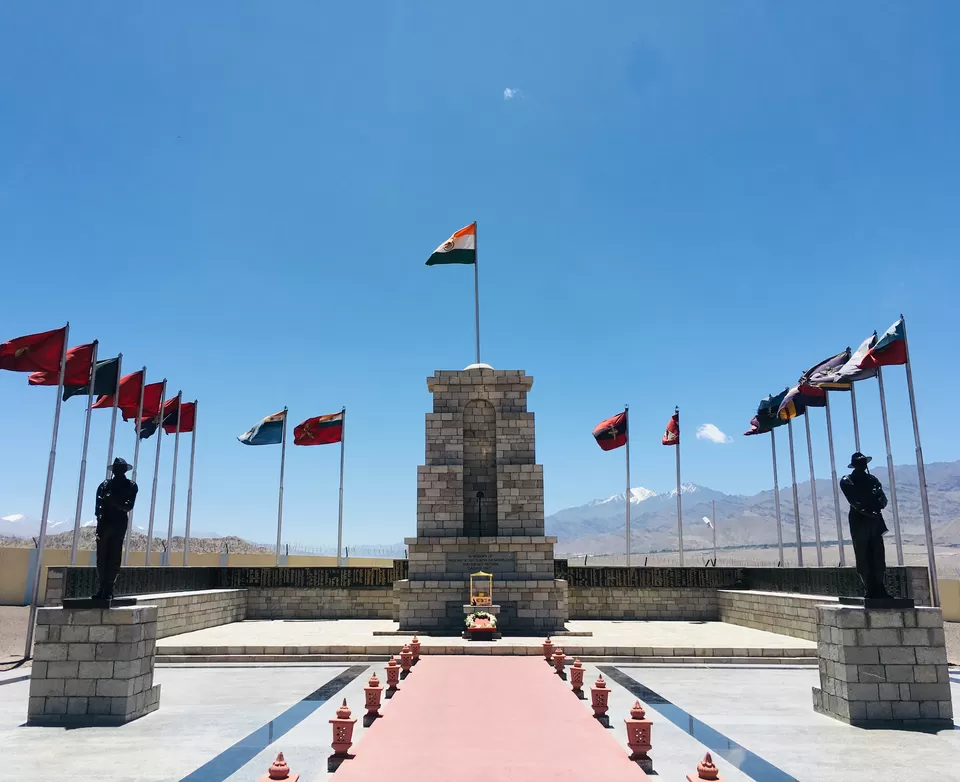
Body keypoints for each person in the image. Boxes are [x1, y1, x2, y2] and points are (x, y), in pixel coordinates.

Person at [839, 451, 891, 599]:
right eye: (860, 463)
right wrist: (868, 511)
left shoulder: (872, 480)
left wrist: (878, 500)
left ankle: (880, 588)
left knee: (878, 554)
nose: (863, 466)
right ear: (854, 465)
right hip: (859, 520)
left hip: (875, 521)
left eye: (864, 463)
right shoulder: (847, 480)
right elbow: (854, 501)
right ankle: (869, 588)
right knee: (862, 554)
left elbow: (883, 500)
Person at [93, 457, 138, 601]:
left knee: (114, 557)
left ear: (125, 470)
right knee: (102, 557)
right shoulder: (104, 485)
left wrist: (114, 501)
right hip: (105, 523)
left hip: (119, 523)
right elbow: (98, 507)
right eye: (116, 469)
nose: (119, 471)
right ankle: (101, 589)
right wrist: (100, 524)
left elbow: (128, 506)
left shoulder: (130, 486)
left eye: (121, 468)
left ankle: (109, 589)